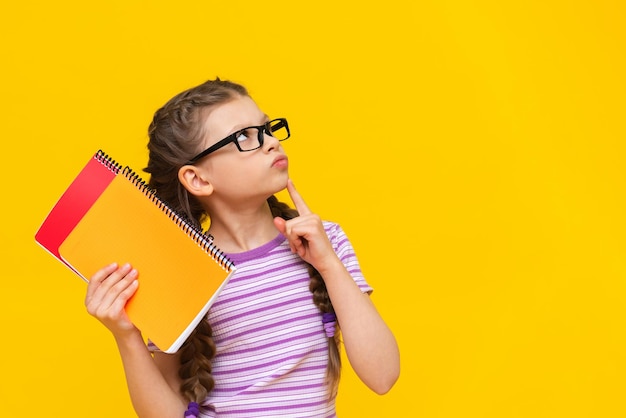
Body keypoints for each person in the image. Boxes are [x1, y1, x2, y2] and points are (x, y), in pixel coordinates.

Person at [84, 78, 400, 417]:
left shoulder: (325, 242)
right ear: (198, 179)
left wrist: (329, 265)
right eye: (244, 137)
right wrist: (127, 337)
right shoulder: (184, 269)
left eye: (266, 128)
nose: (271, 143)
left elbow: (382, 376)